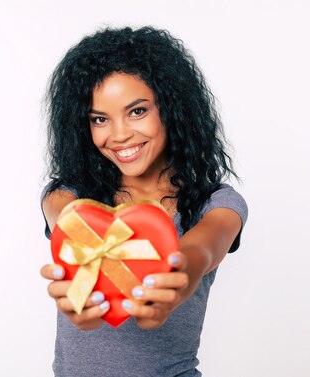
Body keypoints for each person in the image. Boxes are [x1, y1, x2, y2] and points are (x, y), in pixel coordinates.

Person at [39, 26, 248, 377]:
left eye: (137, 111)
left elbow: (201, 252)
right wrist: (83, 294)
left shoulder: (217, 204)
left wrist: (175, 279)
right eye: (100, 119)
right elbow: (70, 223)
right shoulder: (67, 195)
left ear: (172, 108)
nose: (119, 134)